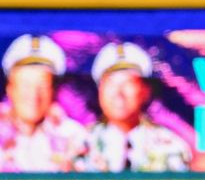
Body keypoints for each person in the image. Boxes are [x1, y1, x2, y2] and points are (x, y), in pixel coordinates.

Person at [80, 42, 191, 172]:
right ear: (99, 91)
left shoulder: (171, 146)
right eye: (111, 83)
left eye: (129, 83)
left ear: (145, 91)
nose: (119, 93)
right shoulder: (80, 143)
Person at [0, 34, 88, 171]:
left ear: (53, 91)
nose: (34, 95)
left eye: (42, 86)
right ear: (10, 88)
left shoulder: (74, 136)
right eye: (25, 85)